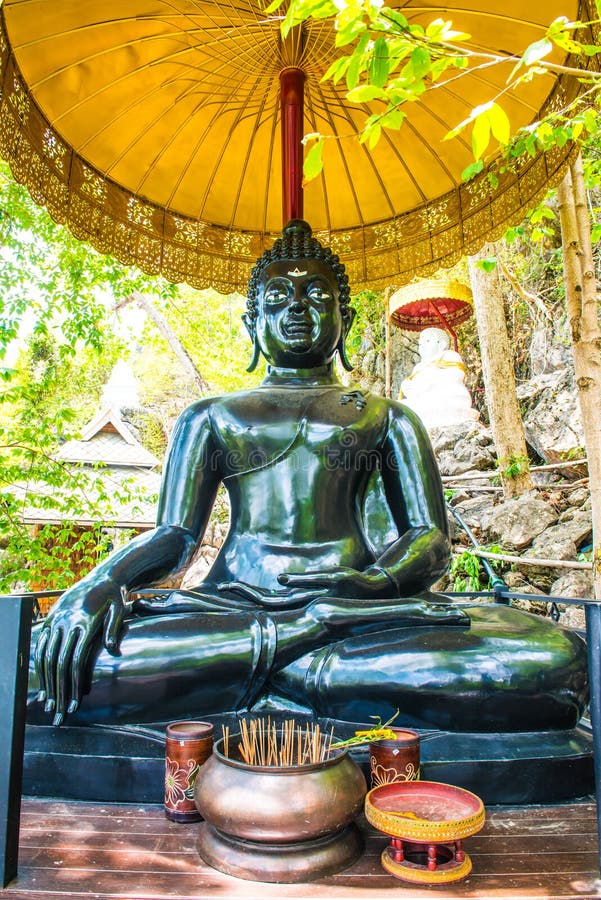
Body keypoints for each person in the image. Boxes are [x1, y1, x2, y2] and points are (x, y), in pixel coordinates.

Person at [29, 221, 587, 733]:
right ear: (252, 322)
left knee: (549, 656)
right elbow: (174, 537)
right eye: (278, 298)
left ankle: (256, 675)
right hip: (233, 606)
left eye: (317, 296)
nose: (297, 308)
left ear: (344, 315)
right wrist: (99, 585)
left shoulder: (384, 416)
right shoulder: (211, 416)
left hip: (359, 612)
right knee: (38, 662)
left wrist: (373, 585)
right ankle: (306, 653)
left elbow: (430, 539)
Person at [400, 327, 479, 429]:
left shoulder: (449, 355)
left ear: (441, 344)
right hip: (424, 399)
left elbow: (457, 375)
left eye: (427, 341)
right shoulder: (418, 367)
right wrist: (407, 386)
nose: (422, 345)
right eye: (420, 342)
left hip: (447, 397)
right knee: (399, 407)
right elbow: (414, 389)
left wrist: (429, 381)